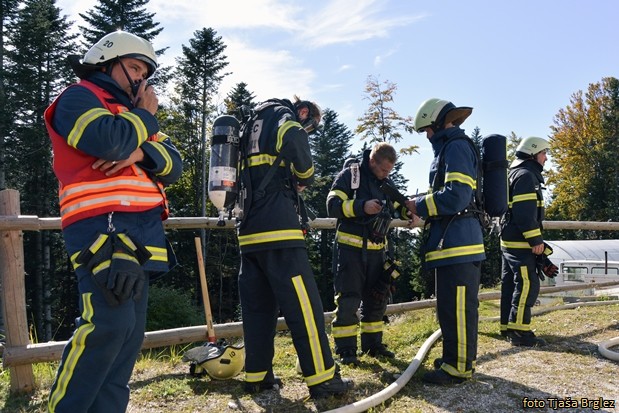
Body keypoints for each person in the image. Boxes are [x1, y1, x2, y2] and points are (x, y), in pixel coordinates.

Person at [45, 31, 183, 412]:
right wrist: (140, 126)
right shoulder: (79, 97)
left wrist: (138, 150)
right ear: (107, 62)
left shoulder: (135, 120)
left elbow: (175, 165)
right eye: (135, 67)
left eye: (146, 72)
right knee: (105, 327)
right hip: (100, 230)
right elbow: (106, 141)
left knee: (126, 337)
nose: (141, 80)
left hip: (142, 233)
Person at [236, 96, 353, 399]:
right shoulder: (283, 115)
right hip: (279, 229)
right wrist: (305, 176)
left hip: (248, 230)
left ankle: (257, 375)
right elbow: (296, 139)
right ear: (304, 112)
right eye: (311, 125)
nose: (309, 129)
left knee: (257, 309)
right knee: (304, 306)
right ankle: (323, 378)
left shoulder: (252, 121)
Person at [406, 98, 485, 385]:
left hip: (460, 244)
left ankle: (459, 368)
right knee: (449, 309)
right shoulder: (449, 149)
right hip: (451, 243)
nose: (427, 136)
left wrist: (419, 204)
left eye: (428, 129)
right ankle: (453, 359)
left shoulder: (455, 147)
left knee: (460, 309)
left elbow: (457, 196)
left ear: (440, 123)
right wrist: (423, 213)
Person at [326, 142, 409, 366]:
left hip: (377, 253)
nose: (385, 175)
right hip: (349, 251)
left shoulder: (386, 182)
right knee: (348, 301)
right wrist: (361, 206)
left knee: (377, 300)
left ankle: (373, 346)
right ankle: (346, 350)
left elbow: (400, 204)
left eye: (389, 172)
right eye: (383, 170)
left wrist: (409, 214)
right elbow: (332, 205)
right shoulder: (349, 176)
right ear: (372, 161)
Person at [500, 136, 557, 347]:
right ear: (533, 154)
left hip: (510, 240)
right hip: (521, 243)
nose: (546, 158)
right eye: (544, 153)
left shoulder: (516, 173)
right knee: (527, 285)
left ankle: (507, 326)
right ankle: (520, 332)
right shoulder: (526, 176)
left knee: (510, 285)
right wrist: (535, 240)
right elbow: (525, 214)